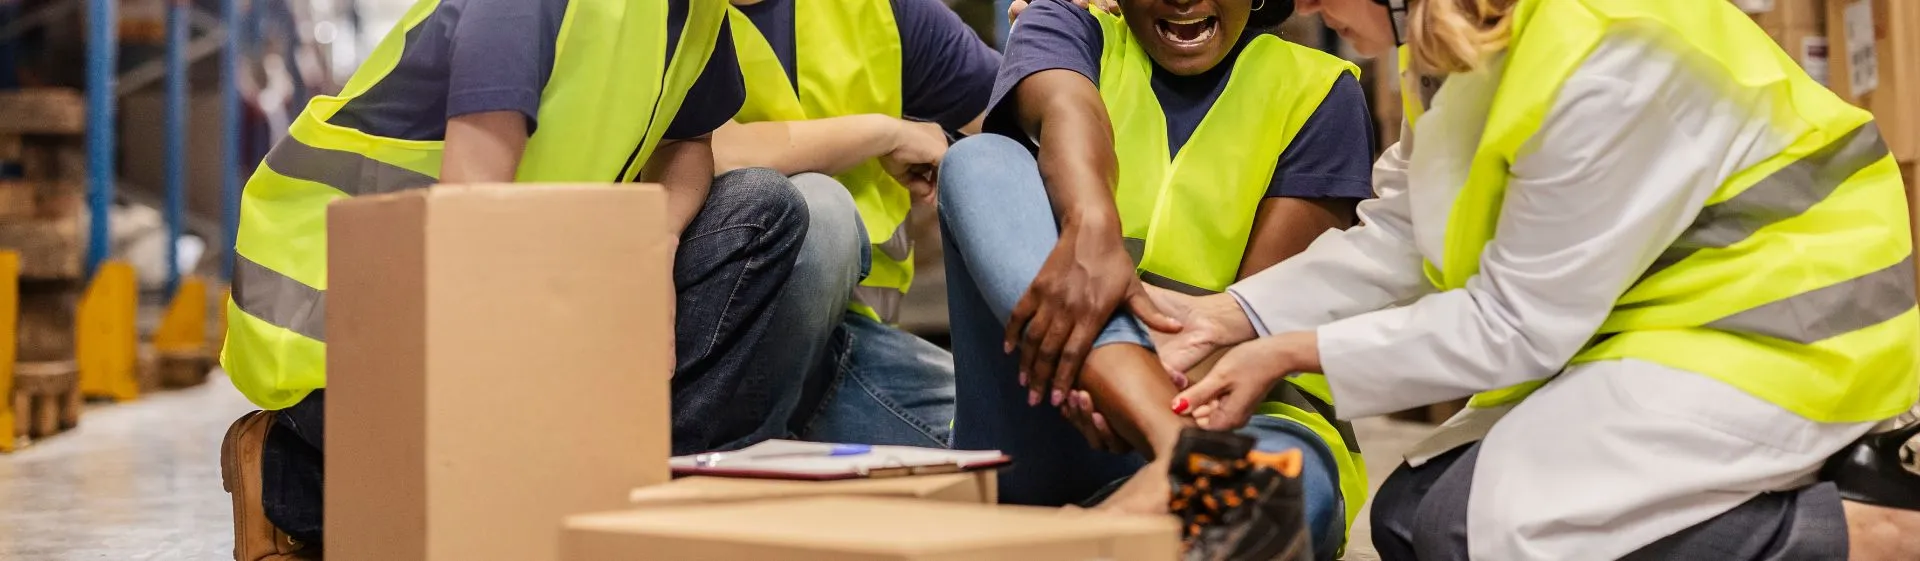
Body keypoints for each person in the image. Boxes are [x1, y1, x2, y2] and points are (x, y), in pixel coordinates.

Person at [1149, 0, 1920, 559]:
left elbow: (1514, 323)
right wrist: (1237, 314)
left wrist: (1288, 353)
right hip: (1644, 321)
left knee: (1473, 530)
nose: (1302, 4)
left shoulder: (1603, 47)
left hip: (1782, 340)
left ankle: (1863, 532)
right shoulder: (1456, 33)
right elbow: (1404, 231)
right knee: (1409, 514)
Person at [215, 0, 802, 558]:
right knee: (493, 500)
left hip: (511, 281)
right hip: (338, 320)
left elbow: (688, 144)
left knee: (762, 210)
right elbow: (472, 205)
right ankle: (292, 472)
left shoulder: (699, 13)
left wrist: (655, 246)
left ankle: (629, 501)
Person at [938, 0, 1376, 556]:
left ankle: (1139, 500)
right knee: (979, 160)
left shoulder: (1319, 92)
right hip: (1053, 420)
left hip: (1241, 417)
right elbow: (1067, 106)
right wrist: (1091, 223)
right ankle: (1181, 453)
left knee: (1285, 489)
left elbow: (1263, 321)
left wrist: (1117, 372)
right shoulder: (1068, 28)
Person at [705, 0, 1001, 448]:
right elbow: (709, 150)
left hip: (844, 346)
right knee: (816, 211)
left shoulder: (878, 9)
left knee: (1022, 446)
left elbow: (1019, 113)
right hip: (708, 349)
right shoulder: (668, 15)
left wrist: (1064, 49)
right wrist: (886, 133)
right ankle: (741, 457)